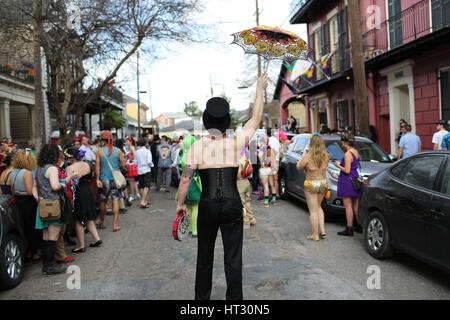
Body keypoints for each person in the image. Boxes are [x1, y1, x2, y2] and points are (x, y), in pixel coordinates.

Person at [175, 73, 268, 300]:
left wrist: (180, 204)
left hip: (207, 206)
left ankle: (201, 303)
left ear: (207, 122)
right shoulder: (236, 142)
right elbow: (255, 120)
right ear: (226, 121)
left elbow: (186, 179)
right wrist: (259, 89)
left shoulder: (197, 147)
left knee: (204, 258)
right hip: (232, 204)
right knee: (233, 258)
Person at [34, 144, 77, 275]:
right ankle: (50, 266)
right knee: (53, 237)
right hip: (54, 205)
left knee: (46, 236)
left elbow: (35, 186)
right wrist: (66, 181)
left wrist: (38, 198)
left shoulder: (39, 168)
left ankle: (46, 266)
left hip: (43, 205)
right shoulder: (52, 168)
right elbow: (55, 186)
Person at [66, 148, 102, 253]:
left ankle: (81, 245)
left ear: (71, 157)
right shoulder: (86, 164)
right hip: (88, 191)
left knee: (77, 219)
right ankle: (97, 239)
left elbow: (72, 183)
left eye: (68, 157)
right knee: (89, 217)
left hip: (78, 193)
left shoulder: (69, 168)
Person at [10, 151, 41, 263]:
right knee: (32, 228)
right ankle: (34, 253)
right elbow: (29, 191)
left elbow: (12, 190)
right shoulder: (27, 173)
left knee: (23, 227)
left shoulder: (13, 172)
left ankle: (28, 251)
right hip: (28, 202)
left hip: (18, 201)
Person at [296, 134, 329, 241]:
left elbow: (299, 167)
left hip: (311, 183)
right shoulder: (326, 156)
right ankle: (322, 230)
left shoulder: (307, 157)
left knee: (313, 210)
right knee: (319, 207)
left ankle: (315, 235)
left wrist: (302, 157)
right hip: (323, 183)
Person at [95, 130, 125, 232]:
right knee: (115, 199)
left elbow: (97, 168)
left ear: (103, 140)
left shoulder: (99, 151)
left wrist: (97, 179)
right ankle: (115, 225)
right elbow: (123, 165)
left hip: (104, 179)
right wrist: (117, 166)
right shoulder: (118, 151)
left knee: (103, 200)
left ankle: (102, 221)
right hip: (115, 180)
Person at [334, 134, 362, 236]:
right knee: (355, 205)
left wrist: (338, 165)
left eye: (342, 142)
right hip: (355, 178)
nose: (341, 144)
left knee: (348, 206)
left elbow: (347, 170)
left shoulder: (347, 154)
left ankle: (349, 228)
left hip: (347, 180)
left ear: (346, 142)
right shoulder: (355, 152)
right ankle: (359, 225)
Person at [178, 135, 201, 237]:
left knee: (190, 208)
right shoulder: (195, 156)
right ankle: (195, 231)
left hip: (185, 185)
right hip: (195, 184)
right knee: (196, 208)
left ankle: (191, 229)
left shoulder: (182, 156)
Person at [237, 146, 256, 229]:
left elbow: (238, 174)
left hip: (240, 183)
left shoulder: (238, 160)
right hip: (246, 182)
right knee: (248, 201)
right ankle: (251, 218)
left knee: (242, 203)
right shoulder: (245, 158)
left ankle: (245, 221)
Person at [258, 136, 277, 207]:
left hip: (264, 169)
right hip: (270, 168)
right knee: (272, 184)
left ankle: (266, 203)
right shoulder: (270, 148)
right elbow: (273, 158)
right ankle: (274, 201)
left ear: (262, 141)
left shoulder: (262, 148)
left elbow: (260, 156)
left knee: (265, 185)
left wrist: (262, 164)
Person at [134, 137, 153, 208]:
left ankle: (144, 201)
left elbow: (135, 163)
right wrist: (152, 165)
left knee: (141, 186)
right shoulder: (147, 151)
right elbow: (149, 161)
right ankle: (143, 201)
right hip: (146, 170)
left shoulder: (136, 152)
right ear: (145, 143)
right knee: (146, 186)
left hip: (139, 170)